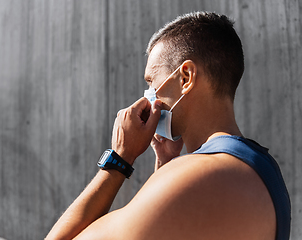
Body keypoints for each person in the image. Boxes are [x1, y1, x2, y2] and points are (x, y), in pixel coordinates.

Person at [46, 12, 291, 240]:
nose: (148, 95)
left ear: (185, 77)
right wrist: (164, 168)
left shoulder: (198, 174)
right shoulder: (262, 168)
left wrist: (120, 158)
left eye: (152, 82)